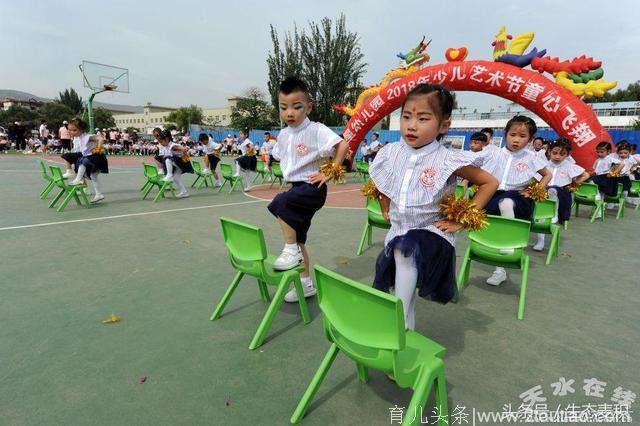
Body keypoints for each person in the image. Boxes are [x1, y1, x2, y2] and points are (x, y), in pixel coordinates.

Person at [370, 84, 498, 330]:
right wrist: (386, 208)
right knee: (400, 282)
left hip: (432, 236)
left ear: (443, 126)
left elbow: (489, 182)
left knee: (404, 252)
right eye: (406, 117)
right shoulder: (391, 152)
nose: (411, 125)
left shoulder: (448, 159)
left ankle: (397, 324)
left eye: (422, 118)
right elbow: (383, 184)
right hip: (397, 232)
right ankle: (404, 336)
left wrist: (462, 220)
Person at [267, 76, 349, 302]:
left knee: (280, 203)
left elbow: (343, 144)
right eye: (283, 108)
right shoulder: (283, 134)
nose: (289, 113)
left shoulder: (316, 129)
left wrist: (330, 171)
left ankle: (290, 250)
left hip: (312, 186)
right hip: (297, 187)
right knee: (300, 238)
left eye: (297, 107)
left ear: (308, 107)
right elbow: (281, 158)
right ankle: (305, 284)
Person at [483, 116, 551, 286]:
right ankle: (499, 271)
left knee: (506, 203)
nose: (516, 140)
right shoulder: (494, 152)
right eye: (513, 134)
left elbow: (547, 175)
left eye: (522, 136)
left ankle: (510, 241)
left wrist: (536, 191)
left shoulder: (531, 157)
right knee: (495, 226)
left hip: (519, 198)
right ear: (506, 134)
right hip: (495, 194)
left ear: (529, 140)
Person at [532, 139, 589, 251]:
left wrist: (574, 184)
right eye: (555, 153)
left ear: (567, 155)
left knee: (553, 190)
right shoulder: (544, 165)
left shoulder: (569, 165)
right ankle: (540, 241)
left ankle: (554, 214)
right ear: (549, 152)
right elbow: (535, 178)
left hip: (562, 195)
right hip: (544, 195)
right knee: (540, 217)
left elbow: (585, 174)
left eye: (562, 154)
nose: (558, 156)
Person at [68, 118, 109, 203]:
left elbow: (100, 138)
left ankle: (78, 179)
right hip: (91, 158)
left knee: (83, 161)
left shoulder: (87, 137)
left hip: (97, 157)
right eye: (69, 130)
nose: (71, 132)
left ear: (81, 130)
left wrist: (99, 147)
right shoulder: (77, 138)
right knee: (94, 176)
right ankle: (99, 195)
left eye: (74, 130)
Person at [157, 129, 193, 198]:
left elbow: (182, 148)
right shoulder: (167, 146)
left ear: (166, 139)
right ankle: (184, 192)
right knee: (176, 178)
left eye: (161, 142)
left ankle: (169, 175)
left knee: (168, 159)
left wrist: (183, 152)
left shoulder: (172, 146)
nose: (161, 144)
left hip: (182, 163)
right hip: (178, 163)